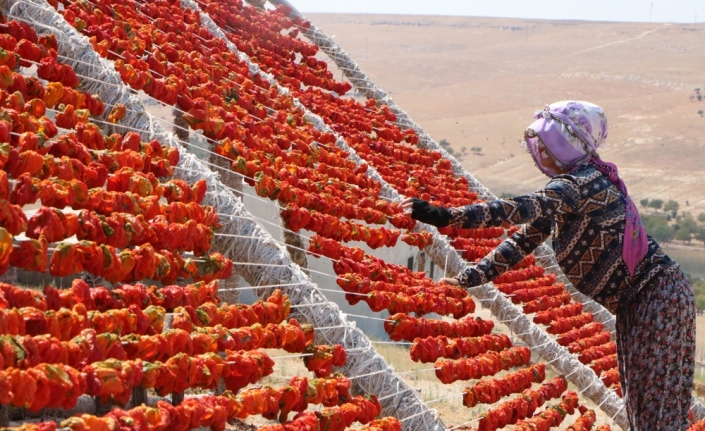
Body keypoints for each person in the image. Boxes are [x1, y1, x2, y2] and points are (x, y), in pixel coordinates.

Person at [401, 101, 695, 431]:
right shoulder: (571, 191)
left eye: (549, 143)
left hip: (657, 299)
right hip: (641, 304)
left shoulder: (583, 185)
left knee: (656, 408)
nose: (543, 151)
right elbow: (519, 243)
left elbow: (516, 210)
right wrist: (469, 278)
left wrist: (441, 215)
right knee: (645, 406)